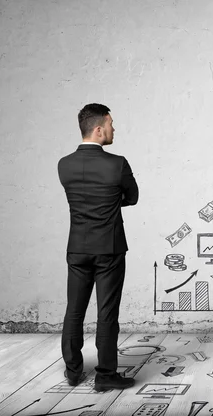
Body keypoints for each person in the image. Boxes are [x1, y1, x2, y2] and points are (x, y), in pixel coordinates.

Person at [57, 103, 139, 392]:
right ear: (99, 128)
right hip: (110, 248)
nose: (114, 128)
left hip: (77, 247)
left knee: (74, 310)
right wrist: (114, 201)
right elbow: (133, 197)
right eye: (111, 123)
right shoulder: (117, 164)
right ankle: (105, 375)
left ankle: (73, 370)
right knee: (107, 313)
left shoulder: (64, 165)